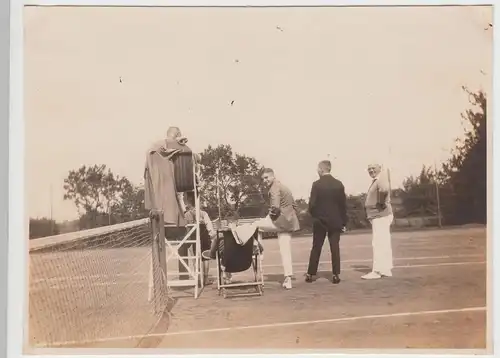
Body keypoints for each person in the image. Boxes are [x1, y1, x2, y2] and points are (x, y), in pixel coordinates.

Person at [254, 168, 300, 289]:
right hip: (288, 223)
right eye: (263, 178)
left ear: (273, 176)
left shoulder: (274, 188)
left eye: (266, 177)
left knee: (255, 226)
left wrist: (271, 218)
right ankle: (288, 279)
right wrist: (289, 217)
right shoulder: (284, 187)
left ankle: (260, 251)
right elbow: (295, 206)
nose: (264, 181)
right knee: (285, 250)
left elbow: (275, 208)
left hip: (280, 221)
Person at [305, 160, 347, 284]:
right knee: (335, 247)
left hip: (320, 220)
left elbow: (312, 205)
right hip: (335, 220)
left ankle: (310, 273)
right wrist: (343, 222)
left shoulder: (316, 185)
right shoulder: (339, 184)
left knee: (316, 247)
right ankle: (335, 274)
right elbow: (343, 205)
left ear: (321, 169)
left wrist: (315, 216)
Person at [362, 163, 394, 280]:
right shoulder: (378, 179)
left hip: (380, 215)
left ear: (379, 168)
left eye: (373, 168)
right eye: (369, 168)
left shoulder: (381, 178)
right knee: (383, 243)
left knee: (379, 243)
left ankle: (378, 271)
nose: (371, 170)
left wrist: (380, 204)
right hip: (379, 215)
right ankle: (385, 269)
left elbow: (384, 190)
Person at [182, 192, 216, 285]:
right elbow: (209, 227)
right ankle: (205, 279)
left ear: (189, 201)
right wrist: (212, 234)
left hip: (193, 236)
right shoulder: (203, 213)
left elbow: (185, 228)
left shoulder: (185, 215)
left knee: (196, 257)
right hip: (204, 235)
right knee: (205, 257)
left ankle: (198, 278)